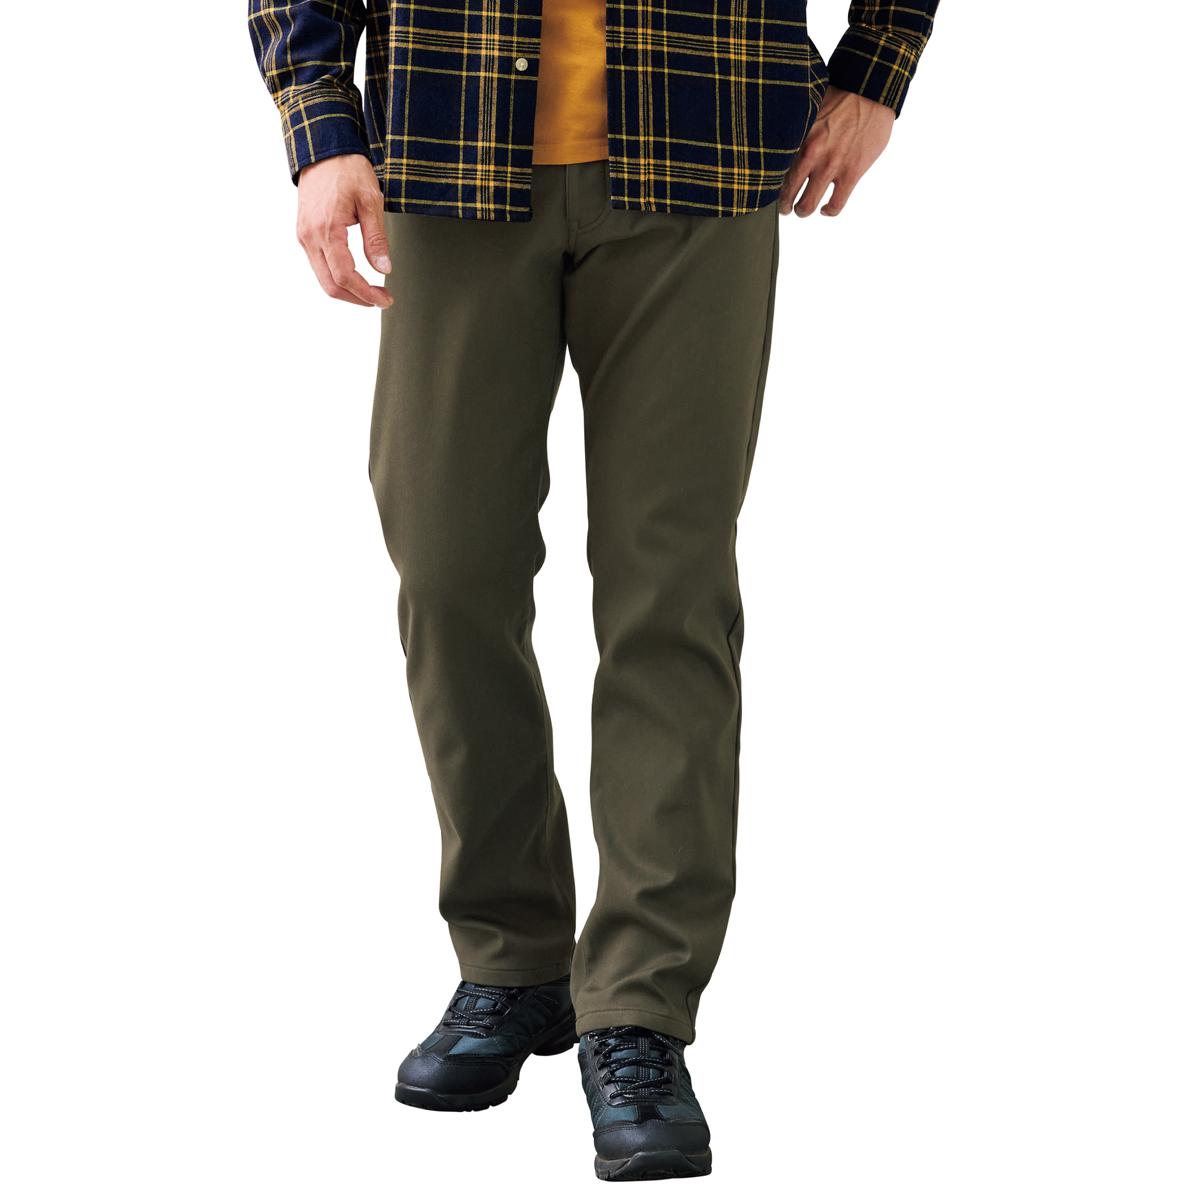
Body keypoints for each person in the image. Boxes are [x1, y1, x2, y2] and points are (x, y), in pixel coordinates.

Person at [250, 0, 939, 1181]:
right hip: (451, 140)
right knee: (448, 569)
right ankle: (514, 963)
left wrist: (878, 69)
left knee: (668, 592)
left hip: (702, 138)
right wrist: (320, 124)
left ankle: (638, 1009)